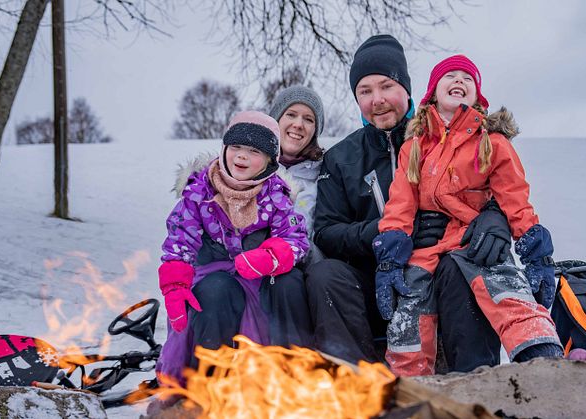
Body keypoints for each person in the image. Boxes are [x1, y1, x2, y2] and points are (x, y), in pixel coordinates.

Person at [307, 35, 509, 372]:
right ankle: (362, 385)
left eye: (386, 86)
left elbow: (496, 187)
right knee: (325, 274)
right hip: (374, 281)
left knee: (460, 267)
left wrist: (495, 218)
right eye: (365, 91)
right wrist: (385, 232)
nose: (377, 100)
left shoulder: (446, 137)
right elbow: (326, 232)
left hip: (438, 273)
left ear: (407, 88)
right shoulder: (341, 157)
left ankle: (474, 381)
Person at [372, 54, 563, 376]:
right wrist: (390, 256)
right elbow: (401, 203)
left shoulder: (492, 142)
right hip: (428, 248)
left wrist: (536, 252)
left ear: (477, 96)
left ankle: (545, 364)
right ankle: (410, 388)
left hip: (476, 239)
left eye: (467, 78)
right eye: (450, 76)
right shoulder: (415, 147)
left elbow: (514, 197)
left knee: (506, 290)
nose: (459, 81)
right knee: (409, 314)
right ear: (432, 92)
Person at [155, 111, 312, 383]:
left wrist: (272, 256)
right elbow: (180, 239)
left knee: (291, 283)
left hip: (256, 278)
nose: (241, 156)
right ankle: (207, 382)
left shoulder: (275, 194)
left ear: (269, 161)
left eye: (253, 151)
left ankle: (285, 374)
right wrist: (175, 286)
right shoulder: (199, 191)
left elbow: (295, 239)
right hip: (213, 277)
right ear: (225, 148)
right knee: (215, 291)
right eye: (236, 147)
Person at [269, 85, 325, 235]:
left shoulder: (325, 176)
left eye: (308, 119)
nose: (298, 124)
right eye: (291, 114)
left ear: (315, 131)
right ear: (276, 121)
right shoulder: (250, 169)